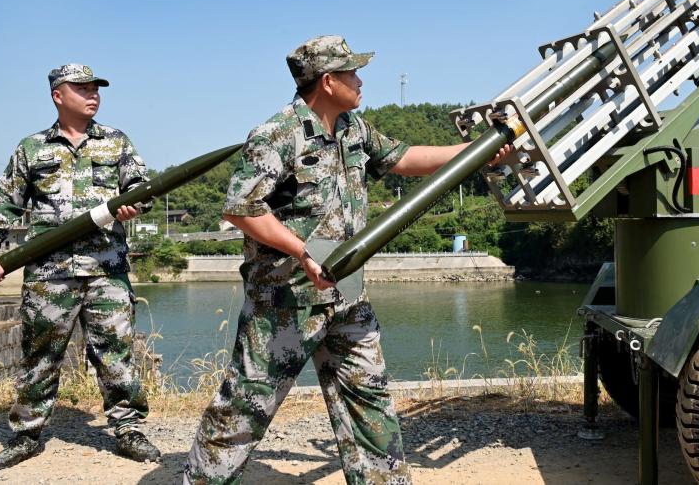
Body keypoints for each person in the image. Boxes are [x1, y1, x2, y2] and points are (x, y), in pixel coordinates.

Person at [185, 36, 510, 484]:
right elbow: (241, 208)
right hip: (284, 303)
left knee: (369, 403)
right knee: (244, 408)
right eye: (352, 73)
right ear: (328, 80)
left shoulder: (354, 129)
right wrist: (302, 253)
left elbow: (405, 158)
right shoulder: (277, 134)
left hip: (348, 296)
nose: (360, 81)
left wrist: (477, 152)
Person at [0, 64, 161, 469]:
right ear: (58, 95)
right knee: (40, 355)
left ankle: (128, 429)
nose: (93, 94)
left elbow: (142, 188)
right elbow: (6, 202)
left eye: (96, 89)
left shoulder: (116, 142)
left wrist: (135, 204)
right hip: (49, 273)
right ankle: (27, 434)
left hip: (106, 268)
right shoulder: (32, 148)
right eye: (82, 88)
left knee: (116, 354)